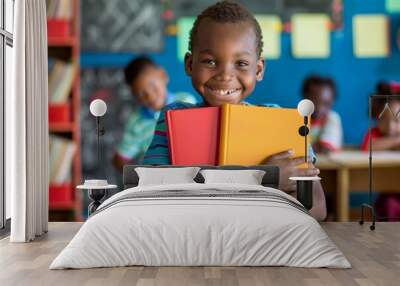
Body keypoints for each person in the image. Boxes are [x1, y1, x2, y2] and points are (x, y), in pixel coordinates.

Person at [143, 1, 326, 221]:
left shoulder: (281, 123)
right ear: (190, 64)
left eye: (240, 63)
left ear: (258, 69)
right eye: (210, 61)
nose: (225, 75)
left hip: (259, 243)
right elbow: (151, 195)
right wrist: (262, 180)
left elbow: (317, 209)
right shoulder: (172, 119)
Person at [112, 56, 196, 171]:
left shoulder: (186, 101)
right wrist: (138, 177)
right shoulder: (136, 124)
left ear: (163, 76)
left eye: (152, 85)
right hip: (158, 180)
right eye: (141, 93)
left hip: (192, 171)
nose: (150, 96)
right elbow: (119, 159)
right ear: (134, 95)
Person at [360, 81, 400, 220]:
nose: (390, 127)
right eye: (384, 119)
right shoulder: (375, 133)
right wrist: (396, 141)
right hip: (389, 196)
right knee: (388, 205)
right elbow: (367, 146)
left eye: (397, 121)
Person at [302, 75, 343, 153]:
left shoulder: (332, 118)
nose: (319, 108)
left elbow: (325, 148)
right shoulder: (295, 118)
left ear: (332, 102)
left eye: (326, 104)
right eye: (314, 102)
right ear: (305, 98)